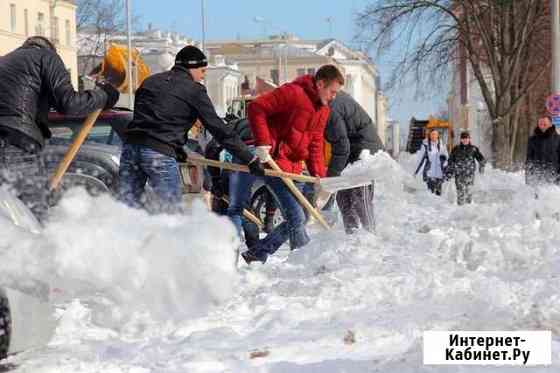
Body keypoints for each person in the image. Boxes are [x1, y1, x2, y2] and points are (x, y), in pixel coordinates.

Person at [118, 45, 264, 212]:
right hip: (158, 154)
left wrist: (176, 147)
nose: (203, 76)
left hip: (130, 149)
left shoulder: (150, 82)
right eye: (202, 71)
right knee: (170, 212)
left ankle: (122, 237)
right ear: (192, 67)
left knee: (127, 208)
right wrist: (249, 159)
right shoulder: (194, 90)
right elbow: (218, 129)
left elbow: (148, 118)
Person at [0, 36, 119, 222]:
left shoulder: (5, 62)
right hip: (16, 143)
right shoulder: (46, 57)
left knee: (7, 217)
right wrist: (104, 95)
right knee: (31, 212)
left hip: (10, 140)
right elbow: (69, 103)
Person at [237, 64, 344, 264]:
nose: (334, 96)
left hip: (294, 167)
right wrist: (262, 143)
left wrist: (319, 176)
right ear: (320, 84)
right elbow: (256, 108)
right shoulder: (292, 93)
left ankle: (257, 253)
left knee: (301, 216)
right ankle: (305, 262)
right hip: (273, 163)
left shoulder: (323, 110)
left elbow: (315, 143)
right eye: (332, 91)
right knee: (296, 216)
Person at [325, 90, 384, 234]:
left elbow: (341, 146)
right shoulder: (330, 102)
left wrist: (331, 179)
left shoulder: (333, 107)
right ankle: (352, 239)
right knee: (344, 198)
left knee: (360, 200)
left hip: (364, 155)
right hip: (350, 154)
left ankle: (371, 238)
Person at [204, 118, 260, 250]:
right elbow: (212, 148)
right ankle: (249, 252)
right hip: (238, 168)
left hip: (239, 167)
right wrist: (216, 179)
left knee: (237, 209)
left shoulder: (237, 125)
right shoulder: (240, 126)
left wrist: (216, 179)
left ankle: (250, 252)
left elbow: (212, 148)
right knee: (232, 207)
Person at [445, 131, 486, 205]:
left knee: (469, 193)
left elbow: (481, 158)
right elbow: (450, 161)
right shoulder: (456, 149)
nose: (465, 140)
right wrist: (449, 172)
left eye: (466, 138)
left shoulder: (473, 149)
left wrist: (482, 166)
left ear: (469, 139)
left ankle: (468, 209)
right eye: (463, 138)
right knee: (460, 194)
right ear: (461, 140)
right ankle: (460, 210)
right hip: (459, 175)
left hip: (469, 175)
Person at [525, 116, 560, 188]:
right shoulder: (532, 139)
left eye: (545, 124)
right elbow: (529, 160)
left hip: (554, 178)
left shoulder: (558, 139)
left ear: (550, 124)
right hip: (537, 177)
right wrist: (528, 178)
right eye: (540, 124)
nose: (542, 126)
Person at [414, 129, 448, 196]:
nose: (433, 136)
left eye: (435, 134)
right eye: (432, 134)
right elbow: (420, 160)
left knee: (438, 195)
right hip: (429, 174)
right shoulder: (425, 146)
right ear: (429, 135)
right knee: (431, 195)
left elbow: (447, 158)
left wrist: (446, 167)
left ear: (438, 135)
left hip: (440, 175)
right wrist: (416, 172)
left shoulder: (442, 146)